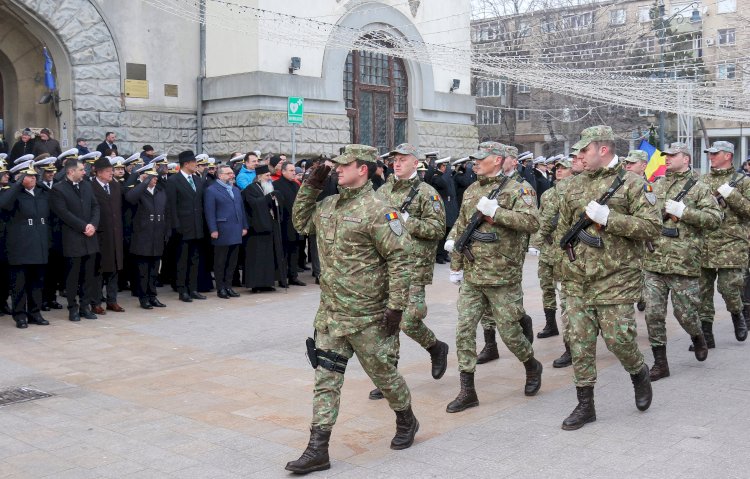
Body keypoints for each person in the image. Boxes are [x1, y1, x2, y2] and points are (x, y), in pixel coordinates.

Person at [287, 144, 417, 475]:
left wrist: (397, 307)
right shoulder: (328, 204)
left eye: (344, 165)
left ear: (363, 169)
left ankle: (406, 418)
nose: (337, 170)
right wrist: (311, 186)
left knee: (383, 374)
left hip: (367, 316)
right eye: (336, 166)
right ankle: (318, 449)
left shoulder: (382, 210)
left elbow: (401, 258)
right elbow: (301, 223)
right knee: (326, 380)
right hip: (331, 315)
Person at [557, 126, 660, 430]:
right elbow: (564, 233)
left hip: (616, 278)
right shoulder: (572, 187)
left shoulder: (632, 184)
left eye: (583, 151)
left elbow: (651, 228)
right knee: (579, 342)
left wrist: (609, 219)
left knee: (618, 340)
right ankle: (585, 404)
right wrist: (563, 267)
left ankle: (638, 371)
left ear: (602, 149)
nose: (578, 157)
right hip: (578, 279)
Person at [445, 142, 543, 413]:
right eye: (474, 159)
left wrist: (496, 213)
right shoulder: (473, 190)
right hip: (474, 275)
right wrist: (455, 260)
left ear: (498, 160)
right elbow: (462, 227)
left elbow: (533, 222)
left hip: (503, 275)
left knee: (510, 334)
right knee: (464, 330)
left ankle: (531, 365)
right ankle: (467, 391)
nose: (474, 163)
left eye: (481, 159)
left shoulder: (518, 189)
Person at [368, 143, 450, 400]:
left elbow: (437, 229)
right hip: (385, 267)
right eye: (395, 159)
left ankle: (436, 347)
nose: (397, 163)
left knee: (410, 319)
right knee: (387, 322)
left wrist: (407, 221)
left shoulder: (427, 193)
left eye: (403, 159)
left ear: (416, 163)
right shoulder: (382, 191)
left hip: (414, 267)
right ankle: (389, 378)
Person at [643, 142, 721, 381]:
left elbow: (715, 218)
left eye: (672, 155)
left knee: (685, 314)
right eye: (666, 155)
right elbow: (644, 214)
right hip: (654, 261)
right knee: (653, 314)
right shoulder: (656, 185)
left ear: (685, 158)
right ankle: (660, 363)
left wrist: (685, 212)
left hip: (683, 263)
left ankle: (698, 336)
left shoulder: (699, 188)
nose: (667, 159)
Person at [698, 141, 750, 347]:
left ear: (728, 155)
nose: (711, 157)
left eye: (715, 153)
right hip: (705, 244)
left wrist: (732, 195)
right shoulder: (702, 180)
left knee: (729, 289)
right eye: (709, 154)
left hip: (732, 245)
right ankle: (706, 336)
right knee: (702, 293)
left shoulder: (742, 181)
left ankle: (737, 314)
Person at [0, 160, 50, 328]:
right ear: (21, 178)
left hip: (39, 244)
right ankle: (20, 315)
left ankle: (35, 313)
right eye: (29, 176)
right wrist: (17, 185)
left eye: (34, 176)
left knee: (36, 283)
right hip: (19, 246)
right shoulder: (13, 193)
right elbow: (3, 204)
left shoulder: (42, 192)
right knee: (19, 284)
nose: (33, 179)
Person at [50, 158, 100, 322]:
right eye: (81, 169)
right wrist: (84, 226)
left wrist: (93, 224)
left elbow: (95, 206)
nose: (84, 172)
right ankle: (73, 308)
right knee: (72, 277)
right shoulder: (58, 189)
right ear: (71, 171)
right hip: (73, 239)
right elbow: (64, 213)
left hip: (90, 238)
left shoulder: (86, 185)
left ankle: (85, 307)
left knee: (88, 276)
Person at [536, 156, 576, 343]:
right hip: (547, 249)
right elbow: (540, 218)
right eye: (557, 168)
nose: (559, 171)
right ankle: (550, 324)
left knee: (566, 293)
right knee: (546, 287)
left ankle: (571, 333)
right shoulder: (547, 194)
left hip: (565, 251)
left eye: (563, 168)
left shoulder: (575, 192)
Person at [124, 164, 169, 309]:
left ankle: (152, 296)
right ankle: (143, 297)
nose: (154, 179)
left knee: (154, 270)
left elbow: (166, 213)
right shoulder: (138, 191)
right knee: (143, 271)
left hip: (157, 235)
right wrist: (143, 182)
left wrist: (166, 232)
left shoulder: (160, 191)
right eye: (151, 176)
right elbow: (130, 198)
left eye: (155, 176)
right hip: (142, 237)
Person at [165, 151, 206, 302]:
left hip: (196, 226)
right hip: (182, 227)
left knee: (194, 259)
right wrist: (175, 226)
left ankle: (193, 288)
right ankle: (182, 290)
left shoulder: (197, 179)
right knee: (182, 260)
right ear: (186, 163)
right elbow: (172, 206)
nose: (196, 164)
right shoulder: (174, 180)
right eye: (194, 162)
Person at [204, 165, 248, 298]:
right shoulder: (211, 190)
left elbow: (241, 209)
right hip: (222, 230)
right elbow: (209, 212)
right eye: (228, 173)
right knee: (220, 261)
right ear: (220, 175)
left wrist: (244, 226)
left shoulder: (235, 190)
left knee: (232, 261)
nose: (232, 175)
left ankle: (229, 286)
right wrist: (213, 229)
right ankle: (220, 288)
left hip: (236, 229)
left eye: (232, 173)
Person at [242, 165, 286, 291]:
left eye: (269, 175)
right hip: (257, 229)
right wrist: (268, 198)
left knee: (269, 257)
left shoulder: (269, 187)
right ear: (259, 177)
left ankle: (268, 283)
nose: (269, 178)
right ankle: (256, 285)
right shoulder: (250, 189)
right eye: (267, 176)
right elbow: (253, 204)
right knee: (257, 258)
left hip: (270, 227)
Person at [91, 156, 125, 314]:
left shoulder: (116, 186)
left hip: (115, 234)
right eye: (108, 171)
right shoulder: (90, 187)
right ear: (98, 173)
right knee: (98, 270)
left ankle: (112, 301)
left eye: (112, 170)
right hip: (99, 235)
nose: (111, 173)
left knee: (114, 269)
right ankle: (96, 302)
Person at [273, 161, 307, 287]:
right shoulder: (276, 185)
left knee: (295, 251)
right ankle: (282, 278)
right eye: (291, 171)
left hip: (296, 223)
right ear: (283, 171)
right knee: (284, 252)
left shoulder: (296, 185)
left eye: (294, 171)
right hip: (283, 224)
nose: (294, 173)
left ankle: (293, 276)